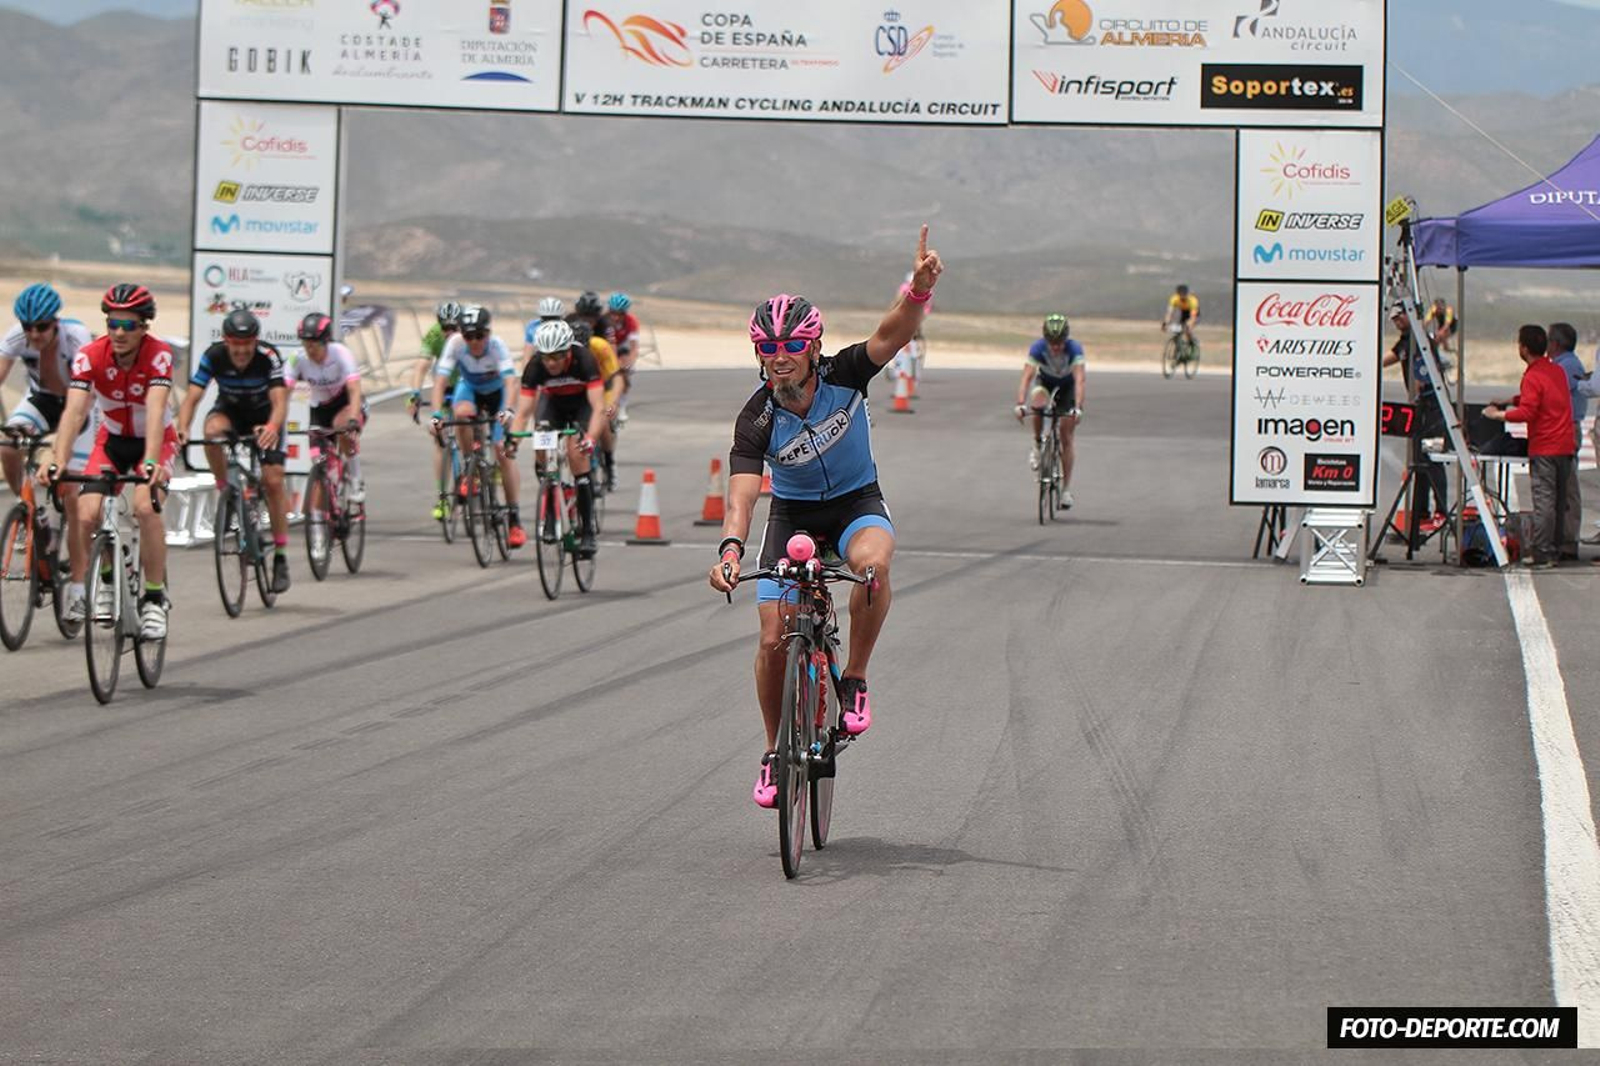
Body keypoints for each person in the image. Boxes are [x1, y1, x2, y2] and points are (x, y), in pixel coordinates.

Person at [708, 225, 942, 809]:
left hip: (856, 504)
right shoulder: (756, 417)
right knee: (771, 638)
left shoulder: (844, 374)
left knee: (872, 569)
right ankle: (772, 751)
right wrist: (731, 551)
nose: (779, 358)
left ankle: (854, 678)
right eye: (768, 348)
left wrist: (916, 293)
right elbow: (741, 495)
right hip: (791, 517)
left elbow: (892, 335)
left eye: (790, 347)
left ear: (813, 349)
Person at [46, 283, 175, 637]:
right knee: (86, 514)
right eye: (113, 323)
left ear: (144, 327)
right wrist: (58, 459)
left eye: (128, 325)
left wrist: (150, 461)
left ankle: (153, 598)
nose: (119, 332)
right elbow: (74, 412)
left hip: (156, 441)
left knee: (145, 508)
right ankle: (105, 581)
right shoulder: (90, 355)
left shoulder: (159, 355)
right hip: (113, 441)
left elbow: (155, 409)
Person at [177, 307, 293, 592]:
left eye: (247, 345)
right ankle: (225, 489)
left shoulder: (268, 356)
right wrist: (181, 428)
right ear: (226, 341)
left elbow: (279, 402)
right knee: (211, 433)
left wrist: (271, 428)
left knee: (274, 480)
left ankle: (280, 556)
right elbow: (192, 397)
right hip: (230, 411)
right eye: (236, 345)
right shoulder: (214, 355)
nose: (241, 351)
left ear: (255, 341)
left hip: (264, 416)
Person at [0, 283, 95, 580]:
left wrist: (60, 442)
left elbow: (84, 397)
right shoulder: (17, 336)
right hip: (41, 400)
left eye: (41, 327)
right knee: (7, 445)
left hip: (79, 403)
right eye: (28, 327)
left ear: (55, 322)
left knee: (69, 487)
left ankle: (80, 573)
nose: (34, 334)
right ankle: (30, 512)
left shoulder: (77, 337)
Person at [508, 319, 608, 558]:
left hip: (582, 407)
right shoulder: (535, 365)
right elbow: (523, 412)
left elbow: (598, 408)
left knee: (577, 455)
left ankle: (587, 531)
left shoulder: (584, 359)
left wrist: (591, 439)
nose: (551, 363)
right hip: (552, 405)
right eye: (546, 357)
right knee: (541, 447)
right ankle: (551, 507)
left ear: (568, 352)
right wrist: (512, 441)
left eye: (557, 357)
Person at [429, 305, 524, 547]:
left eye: (479, 335)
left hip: (498, 394)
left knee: (502, 450)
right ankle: (470, 466)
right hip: (470, 388)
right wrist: (436, 414)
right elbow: (439, 383)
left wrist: (509, 410)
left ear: (488, 333)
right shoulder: (455, 344)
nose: (474, 341)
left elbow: (511, 383)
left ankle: (514, 518)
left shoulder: (497, 346)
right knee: (460, 415)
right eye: (468, 336)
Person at [1484, 325, 1576, 568]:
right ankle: (1555, 547)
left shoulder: (1533, 376)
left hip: (1545, 446)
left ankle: (1543, 551)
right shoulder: (1556, 371)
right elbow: (1541, 397)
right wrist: (1509, 400)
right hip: (1565, 444)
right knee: (1558, 500)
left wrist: (1497, 415)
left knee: (1544, 500)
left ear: (1523, 348)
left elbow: (1528, 411)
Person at [1381, 304, 1449, 536]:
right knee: (1419, 460)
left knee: (1432, 458)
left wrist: (1417, 395)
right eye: (1394, 320)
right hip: (1421, 407)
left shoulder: (1419, 340)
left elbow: (1421, 372)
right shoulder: (1405, 341)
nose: (1397, 323)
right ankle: (1421, 511)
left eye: (1400, 318)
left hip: (1430, 406)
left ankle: (1440, 510)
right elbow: (1389, 357)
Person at [284, 313, 366, 501]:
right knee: (319, 463)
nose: (310, 349)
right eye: (306, 344)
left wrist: (353, 419)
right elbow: (283, 392)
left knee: (342, 427)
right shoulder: (297, 358)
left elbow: (354, 390)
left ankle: (356, 480)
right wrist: (274, 421)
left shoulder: (341, 353)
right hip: (319, 409)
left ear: (326, 342)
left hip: (345, 404)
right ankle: (320, 520)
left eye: (315, 344)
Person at [1015, 312, 1085, 509]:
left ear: (1066, 339)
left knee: (1066, 434)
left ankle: (1066, 490)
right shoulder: (1038, 348)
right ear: (1045, 339)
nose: (1055, 347)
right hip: (1045, 382)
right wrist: (1020, 403)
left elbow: (1080, 380)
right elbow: (1026, 377)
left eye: (1060, 342)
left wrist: (1078, 408)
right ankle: (1037, 445)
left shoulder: (1075, 349)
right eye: (1051, 342)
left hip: (1067, 387)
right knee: (1037, 404)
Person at [410, 302, 462, 520]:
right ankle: (442, 497)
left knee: (469, 425)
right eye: (445, 328)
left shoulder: (469, 335)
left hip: (467, 384)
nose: (449, 332)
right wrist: (414, 393)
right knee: (439, 437)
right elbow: (421, 365)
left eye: (453, 328)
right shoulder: (433, 334)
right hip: (445, 385)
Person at [570, 320, 623, 491]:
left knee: (604, 421)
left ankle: (609, 463)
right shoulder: (565, 351)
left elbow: (617, 377)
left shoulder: (600, 346)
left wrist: (613, 402)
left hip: (604, 386)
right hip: (581, 390)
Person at [602, 292, 641, 423]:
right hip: (606, 346)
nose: (616, 317)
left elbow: (634, 347)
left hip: (622, 346)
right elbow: (608, 345)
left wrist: (630, 363)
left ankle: (622, 405)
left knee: (624, 371)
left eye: (620, 314)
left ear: (625, 313)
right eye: (613, 313)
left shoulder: (631, 322)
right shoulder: (604, 320)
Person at [1162, 284, 1200, 351]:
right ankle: (1179, 349)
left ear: (1187, 293)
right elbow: (1169, 313)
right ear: (1178, 294)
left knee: (1187, 329)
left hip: (1193, 313)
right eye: (1181, 294)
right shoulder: (1174, 299)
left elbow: (1193, 317)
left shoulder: (1192, 300)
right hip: (1184, 312)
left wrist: (1188, 324)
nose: (1183, 296)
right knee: (1178, 329)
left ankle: (1192, 343)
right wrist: (1165, 323)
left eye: (1184, 294)